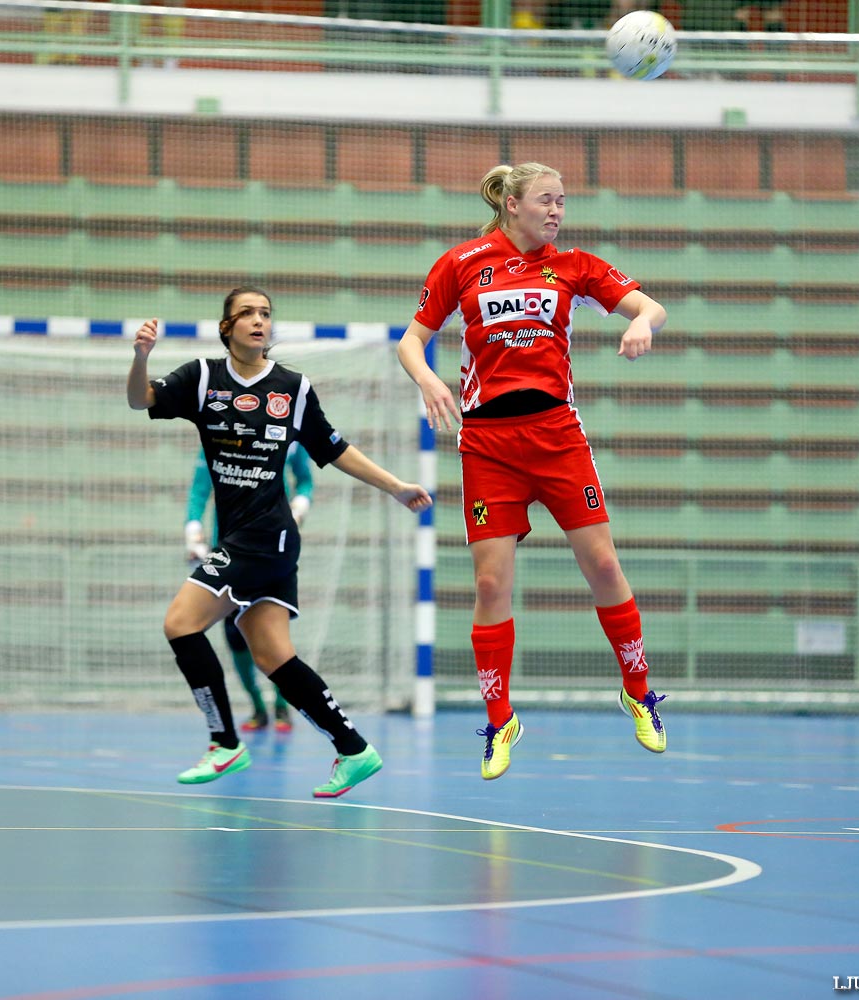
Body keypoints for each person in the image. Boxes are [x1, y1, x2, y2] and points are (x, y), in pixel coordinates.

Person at [396, 162, 669, 781]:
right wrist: (429, 378)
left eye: (563, 202)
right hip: (487, 441)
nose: (557, 211)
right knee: (492, 586)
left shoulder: (575, 265)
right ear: (512, 204)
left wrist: (637, 323)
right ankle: (499, 721)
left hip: (556, 435)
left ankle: (639, 691)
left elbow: (652, 308)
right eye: (546, 200)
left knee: (602, 564)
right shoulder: (462, 263)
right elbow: (411, 341)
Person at [129, 286, 433, 798]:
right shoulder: (202, 378)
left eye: (265, 314)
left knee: (180, 624)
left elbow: (334, 449)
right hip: (250, 540)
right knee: (274, 658)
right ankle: (354, 749)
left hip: (265, 538)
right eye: (246, 313)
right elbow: (142, 399)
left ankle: (224, 742)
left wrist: (397, 487)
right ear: (226, 327)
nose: (257, 321)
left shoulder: (293, 387)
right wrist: (141, 358)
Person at [184, 442, 315, 733]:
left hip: (271, 549)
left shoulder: (287, 436)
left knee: (272, 636)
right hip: (229, 549)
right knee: (234, 636)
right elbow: (199, 490)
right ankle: (256, 704)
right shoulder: (216, 435)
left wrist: (299, 506)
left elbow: (305, 479)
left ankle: (283, 704)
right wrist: (193, 530)